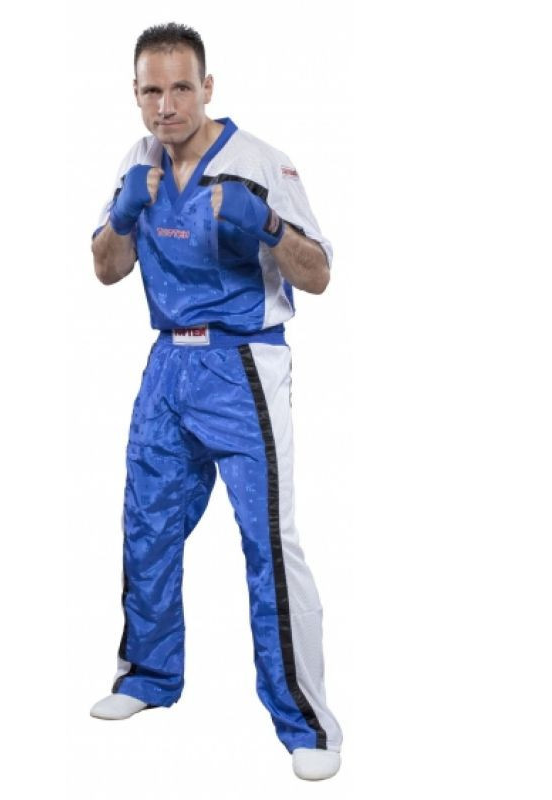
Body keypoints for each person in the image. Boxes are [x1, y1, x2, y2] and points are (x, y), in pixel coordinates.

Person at [88, 22, 343, 781]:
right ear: (136, 94)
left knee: (268, 542)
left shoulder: (259, 161)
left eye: (180, 88)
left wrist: (268, 225)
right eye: (151, 91)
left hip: (243, 364)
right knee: (148, 524)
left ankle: (305, 722)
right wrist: (122, 216)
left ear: (207, 87)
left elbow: (319, 273)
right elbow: (105, 267)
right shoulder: (137, 160)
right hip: (169, 362)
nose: (166, 105)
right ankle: (147, 676)